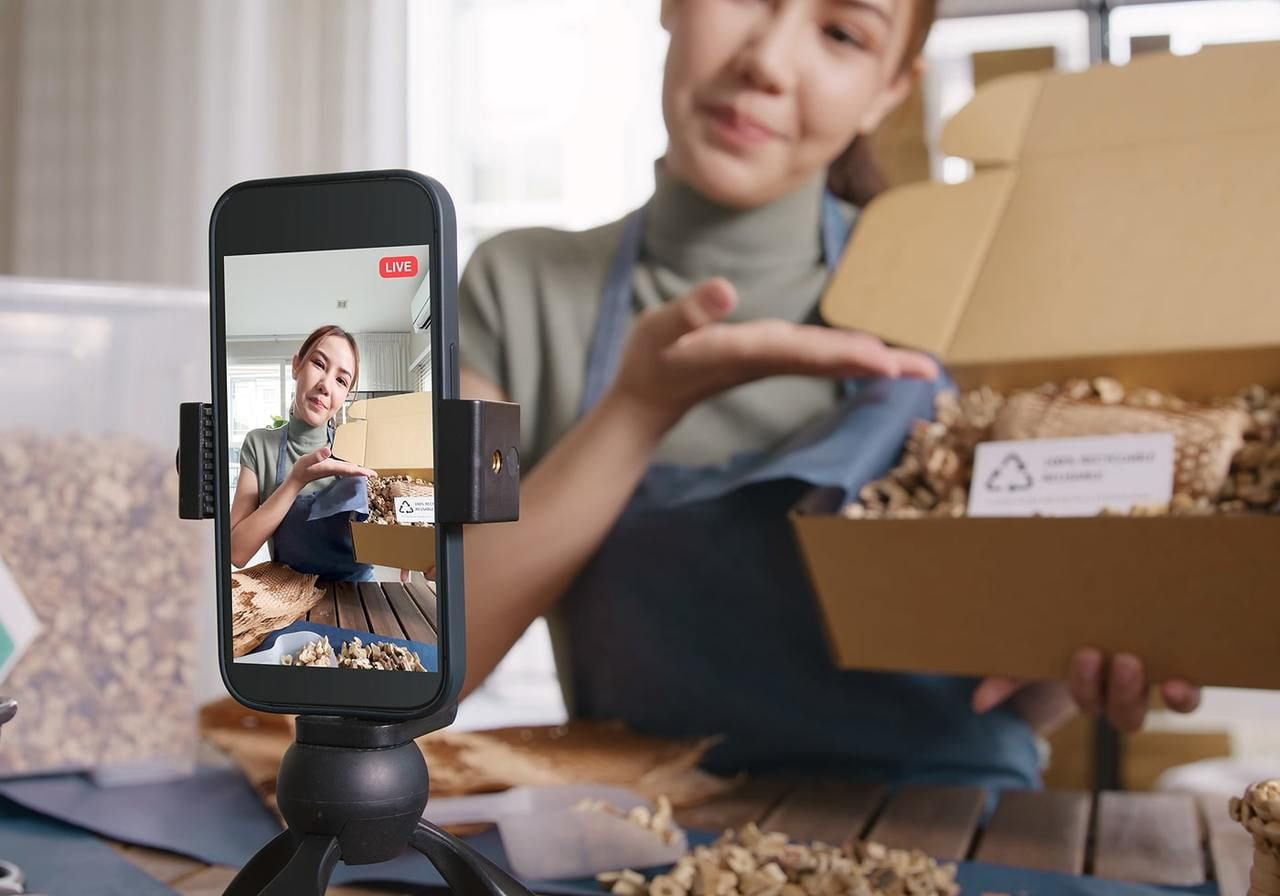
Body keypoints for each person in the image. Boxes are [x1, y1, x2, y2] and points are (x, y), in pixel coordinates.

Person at [456, 0, 1201, 787]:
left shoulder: (976, 293)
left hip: (955, 829)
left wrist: (1100, 649)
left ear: (890, 89)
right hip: (633, 831)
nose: (768, 64)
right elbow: (417, 655)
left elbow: (1017, 687)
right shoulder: (511, 289)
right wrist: (635, 413)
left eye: (842, 34)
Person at [230, 324, 377, 582]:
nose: (325, 386)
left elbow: (396, 528)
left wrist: (424, 556)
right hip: (288, 594)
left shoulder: (360, 447)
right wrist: (295, 481)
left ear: (346, 395)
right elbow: (237, 552)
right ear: (296, 366)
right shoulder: (259, 445)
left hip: (358, 595)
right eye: (319, 364)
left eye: (341, 381)